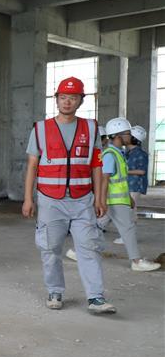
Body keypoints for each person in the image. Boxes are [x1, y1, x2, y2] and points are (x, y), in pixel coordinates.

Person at [21, 76, 114, 314]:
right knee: (51, 248)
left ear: (81, 101)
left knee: (89, 247)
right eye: (63, 97)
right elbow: (32, 165)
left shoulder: (91, 128)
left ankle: (96, 297)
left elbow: (96, 164)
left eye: (73, 98)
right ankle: (55, 291)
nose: (67, 102)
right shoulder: (41, 129)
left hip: (83, 200)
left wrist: (99, 198)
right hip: (50, 200)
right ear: (56, 99)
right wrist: (28, 199)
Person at [91, 118, 159, 272]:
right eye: (128, 133)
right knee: (127, 228)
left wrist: (128, 197)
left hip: (118, 199)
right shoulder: (110, 155)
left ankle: (79, 252)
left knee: (98, 226)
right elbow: (104, 179)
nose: (130, 136)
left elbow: (121, 180)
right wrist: (101, 201)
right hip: (114, 200)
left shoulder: (118, 153)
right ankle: (136, 261)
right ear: (118, 136)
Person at [126, 125, 149, 222]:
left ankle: (129, 231)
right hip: (127, 184)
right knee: (128, 210)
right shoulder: (128, 153)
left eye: (128, 135)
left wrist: (124, 171)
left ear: (134, 139)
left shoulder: (141, 154)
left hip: (135, 186)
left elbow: (142, 171)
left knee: (130, 211)